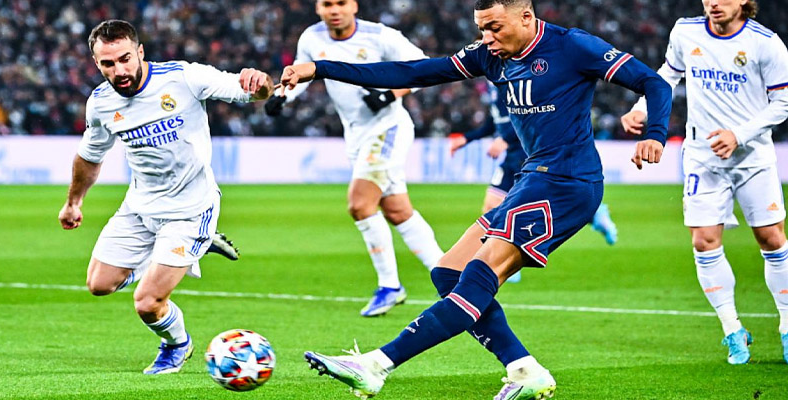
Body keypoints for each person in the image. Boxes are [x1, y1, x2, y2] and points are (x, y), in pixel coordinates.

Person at [279, 0, 671, 398]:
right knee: (448, 273)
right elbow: (412, 72)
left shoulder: (572, 46)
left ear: (526, 17)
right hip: (532, 179)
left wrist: (655, 133)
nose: (487, 38)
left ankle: (375, 365)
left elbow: (654, 82)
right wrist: (321, 68)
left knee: (480, 276)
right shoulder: (489, 54)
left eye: (495, 27)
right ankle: (524, 369)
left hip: (567, 182)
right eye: (482, 28)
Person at [57, 19, 273, 374]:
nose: (119, 70)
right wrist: (74, 202)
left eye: (125, 59)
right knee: (98, 285)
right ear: (96, 63)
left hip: (191, 209)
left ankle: (177, 344)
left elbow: (253, 91)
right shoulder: (101, 103)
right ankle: (195, 249)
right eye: (108, 64)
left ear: (140, 52)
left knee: (147, 302)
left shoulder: (184, 78)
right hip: (140, 206)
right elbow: (89, 156)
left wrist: (259, 81)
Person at [621, 0, 788, 365]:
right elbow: (666, 77)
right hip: (702, 155)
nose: (713, 3)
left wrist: (738, 135)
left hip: (752, 156)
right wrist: (641, 108)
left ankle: (787, 325)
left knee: (771, 238)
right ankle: (732, 329)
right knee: (703, 241)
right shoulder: (686, 31)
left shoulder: (766, 43)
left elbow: (783, 103)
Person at [263, 0, 444, 317]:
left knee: (360, 204)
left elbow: (423, 66)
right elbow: (302, 74)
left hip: (388, 128)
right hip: (356, 135)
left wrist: (390, 94)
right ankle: (450, 274)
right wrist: (283, 97)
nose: (334, 10)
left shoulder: (380, 35)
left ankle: (390, 286)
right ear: (318, 8)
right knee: (398, 210)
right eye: (327, 4)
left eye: (341, 3)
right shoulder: (311, 37)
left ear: (354, 6)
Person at [450, 82, 618, 250]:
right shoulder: (493, 80)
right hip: (512, 155)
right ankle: (498, 256)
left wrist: (506, 138)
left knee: (539, 206)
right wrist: (467, 138)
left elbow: (532, 112)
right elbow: (497, 120)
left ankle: (593, 212)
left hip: (531, 153)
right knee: (492, 206)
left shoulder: (514, 74)